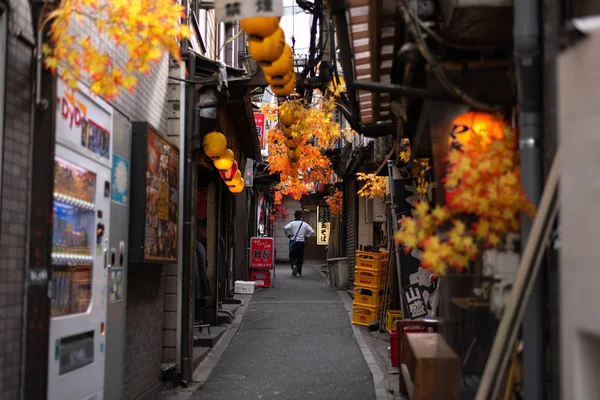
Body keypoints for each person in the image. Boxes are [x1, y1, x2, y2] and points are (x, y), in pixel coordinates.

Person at [284, 209, 315, 277]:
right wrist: (306, 237)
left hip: (293, 242)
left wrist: (288, 235)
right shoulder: (305, 224)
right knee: (300, 257)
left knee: (292, 256)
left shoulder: (292, 223)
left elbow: (285, 228)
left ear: (295, 216)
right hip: (301, 243)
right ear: (301, 216)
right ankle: (299, 271)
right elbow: (312, 231)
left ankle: (294, 265)